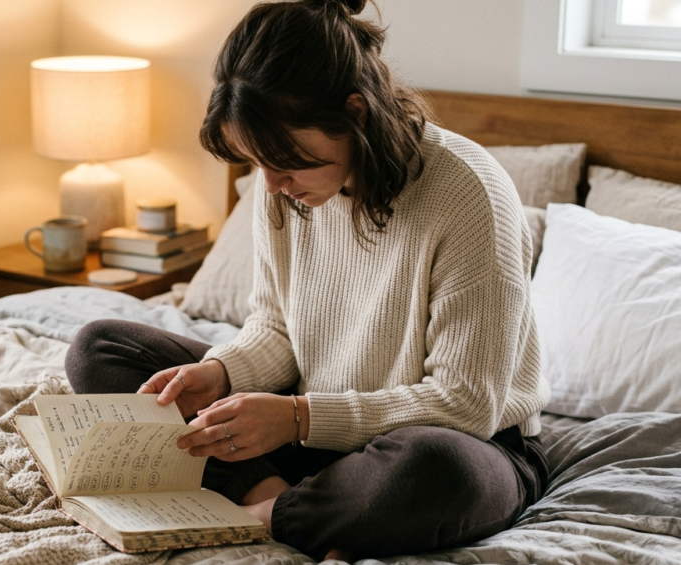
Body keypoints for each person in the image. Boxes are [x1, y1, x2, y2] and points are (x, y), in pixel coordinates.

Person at [65, 0, 551, 560]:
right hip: (307, 427)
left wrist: (299, 418)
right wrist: (220, 375)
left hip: (455, 441)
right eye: (258, 163)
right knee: (99, 349)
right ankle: (279, 499)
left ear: (355, 114)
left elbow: (466, 404)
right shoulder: (280, 186)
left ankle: (270, 512)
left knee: (436, 471)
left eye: (288, 162)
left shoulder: (467, 192)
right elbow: (276, 329)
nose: (272, 185)